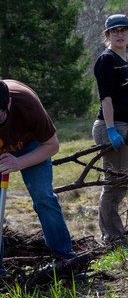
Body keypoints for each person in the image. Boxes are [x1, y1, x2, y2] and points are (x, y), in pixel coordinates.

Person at [0, 79, 76, 274]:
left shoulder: (26, 104)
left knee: (43, 197)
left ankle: (65, 259)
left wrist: (19, 163)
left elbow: (52, 145)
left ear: (8, 103)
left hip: (31, 144)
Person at [92, 14, 128, 246]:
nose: (120, 34)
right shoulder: (106, 60)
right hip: (110, 126)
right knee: (114, 184)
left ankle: (115, 233)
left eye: (123, 30)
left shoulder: (123, 58)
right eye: (115, 31)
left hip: (123, 123)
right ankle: (112, 236)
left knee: (120, 183)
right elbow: (106, 99)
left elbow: (120, 95)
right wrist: (112, 129)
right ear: (108, 35)